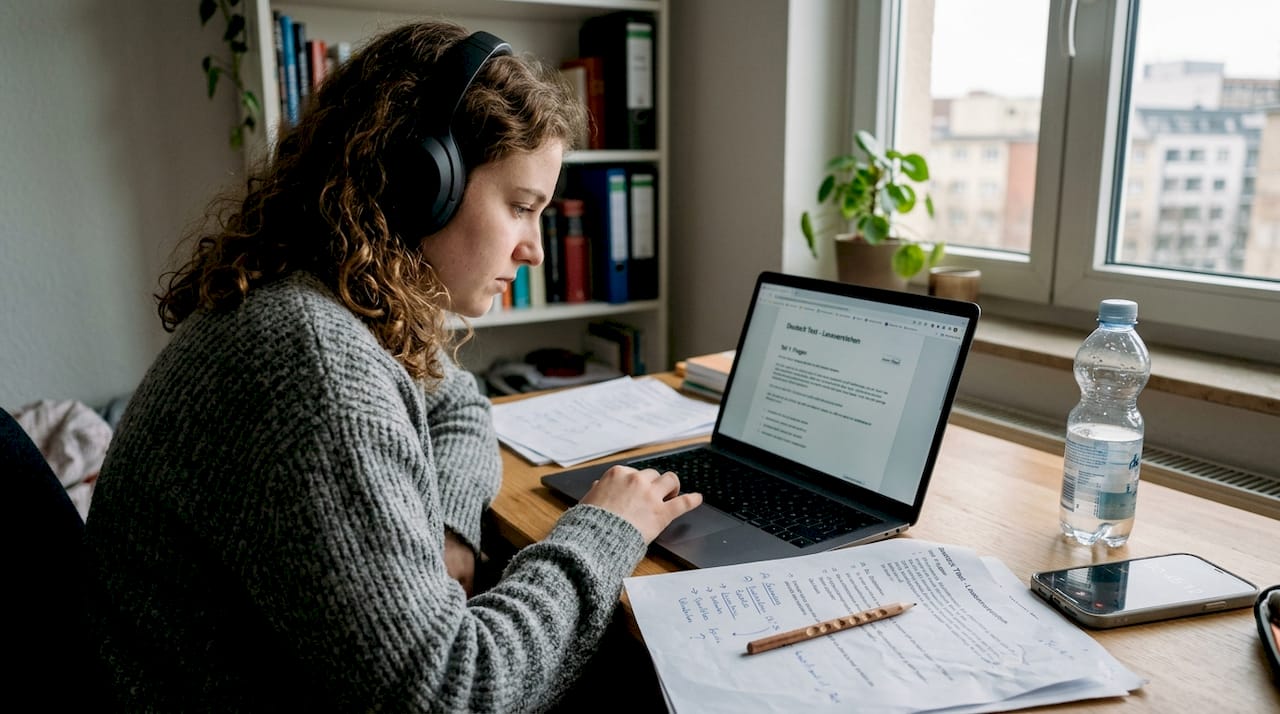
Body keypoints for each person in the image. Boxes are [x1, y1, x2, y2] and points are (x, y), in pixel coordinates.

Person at [84, 20, 700, 712]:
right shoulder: (313, 362)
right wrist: (603, 531)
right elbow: (451, 695)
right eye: (522, 208)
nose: (535, 251)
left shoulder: (333, 296)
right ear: (420, 180)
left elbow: (456, 399)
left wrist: (450, 531)